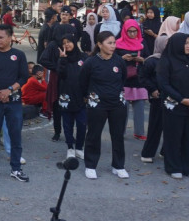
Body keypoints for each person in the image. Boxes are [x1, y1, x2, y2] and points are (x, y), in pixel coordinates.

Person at [0, 24, 30, 183]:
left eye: (1, 37)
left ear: (10, 38)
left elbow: (23, 77)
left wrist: (9, 90)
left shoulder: (19, 55)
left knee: (15, 134)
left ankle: (16, 168)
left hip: (14, 101)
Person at [156, 33, 189, 179]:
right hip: (174, 105)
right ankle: (174, 167)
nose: (188, 46)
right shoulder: (166, 61)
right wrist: (181, 98)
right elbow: (164, 84)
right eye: (185, 43)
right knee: (174, 136)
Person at [79, 31, 129, 180]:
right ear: (100, 45)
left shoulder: (119, 61)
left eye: (114, 43)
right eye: (109, 43)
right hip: (97, 105)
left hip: (117, 104)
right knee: (94, 135)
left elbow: (123, 79)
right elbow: (83, 82)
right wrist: (89, 98)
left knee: (118, 135)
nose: (113, 46)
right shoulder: (91, 62)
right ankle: (91, 165)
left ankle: (118, 166)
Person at [56, 35, 87, 161]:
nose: (67, 45)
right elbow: (61, 74)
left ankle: (79, 148)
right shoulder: (62, 59)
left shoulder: (84, 57)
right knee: (67, 124)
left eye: (69, 42)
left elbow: (89, 75)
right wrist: (62, 59)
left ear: (74, 42)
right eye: (64, 43)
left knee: (82, 124)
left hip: (81, 96)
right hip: (66, 96)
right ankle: (70, 148)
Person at [116, 19, 148, 141]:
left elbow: (148, 59)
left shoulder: (142, 43)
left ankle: (139, 132)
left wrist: (141, 60)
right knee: (123, 107)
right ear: (125, 30)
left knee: (139, 106)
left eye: (135, 31)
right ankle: (120, 131)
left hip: (139, 78)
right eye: (130, 31)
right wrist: (122, 58)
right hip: (123, 79)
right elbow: (113, 59)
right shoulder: (118, 43)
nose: (133, 34)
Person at [139, 36, 167, 163]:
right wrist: (152, 90)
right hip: (157, 97)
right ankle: (148, 153)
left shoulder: (173, 59)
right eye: (166, 44)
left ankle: (166, 151)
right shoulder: (151, 61)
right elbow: (143, 77)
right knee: (155, 126)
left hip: (172, 97)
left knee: (171, 127)